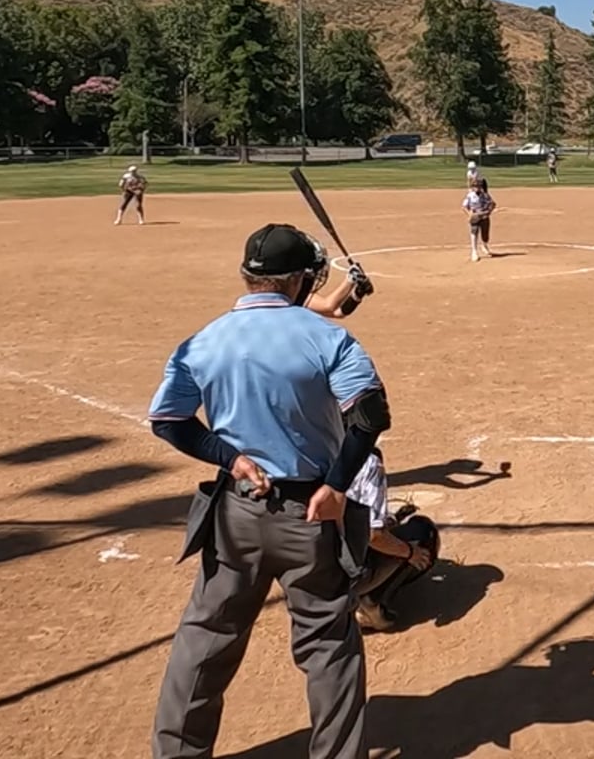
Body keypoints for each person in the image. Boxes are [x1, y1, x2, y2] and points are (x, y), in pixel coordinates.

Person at [147, 223, 388, 759]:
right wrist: (336, 485)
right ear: (299, 280)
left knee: (205, 639)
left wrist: (230, 458)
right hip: (312, 516)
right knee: (328, 646)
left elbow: (169, 420)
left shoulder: (204, 340)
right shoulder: (327, 338)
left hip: (237, 511)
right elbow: (370, 416)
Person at [345, 447, 439, 632]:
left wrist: (392, 520)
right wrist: (410, 552)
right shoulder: (369, 462)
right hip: (345, 577)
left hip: (302, 574)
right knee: (423, 531)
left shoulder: (310, 458)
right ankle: (372, 602)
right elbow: (374, 536)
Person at [463, 178, 496, 261]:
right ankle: (474, 251)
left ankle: (484, 245)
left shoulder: (485, 195)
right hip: (475, 216)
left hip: (484, 216)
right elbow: (464, 206)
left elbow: (493, 204)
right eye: (475, 186)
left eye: (478, 186)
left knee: (485, 234)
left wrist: (489, 211)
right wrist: (469, 214)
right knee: (474, 232)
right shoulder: (470, 195)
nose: (476, 188)